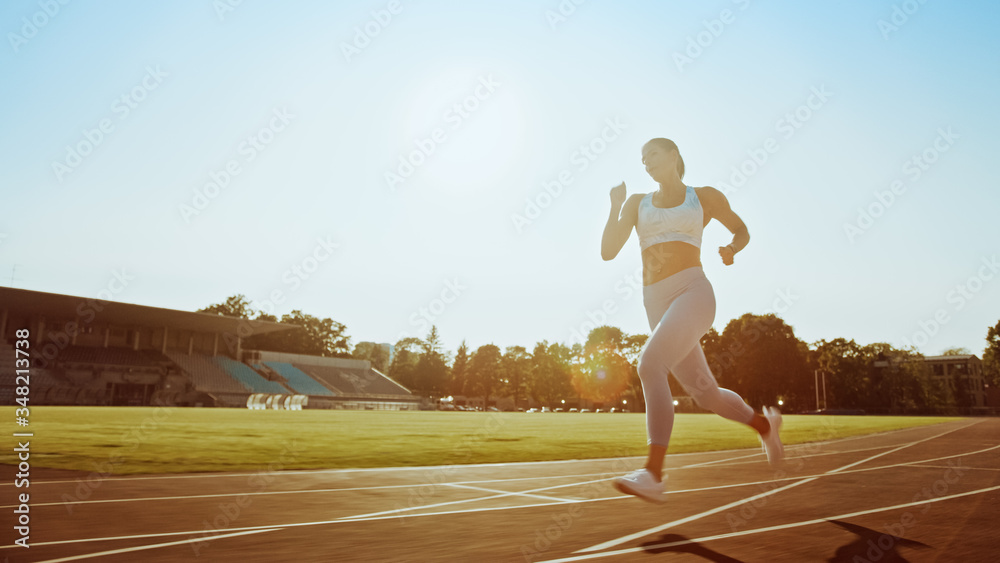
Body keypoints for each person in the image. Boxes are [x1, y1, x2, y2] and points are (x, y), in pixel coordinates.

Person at [601, 137, 783, 503]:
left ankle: (653, 474)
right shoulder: (637, 203)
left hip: (693, 294)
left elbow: (741, 229)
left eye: (652, 153)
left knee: (649, 365)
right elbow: (607, 252)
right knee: (706, 394)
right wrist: (616, 205)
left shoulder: (704, 197)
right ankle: (764, 425)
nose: (646, 161)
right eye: (642, 158)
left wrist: (732, 248)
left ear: (673, 156)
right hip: (655, 303)